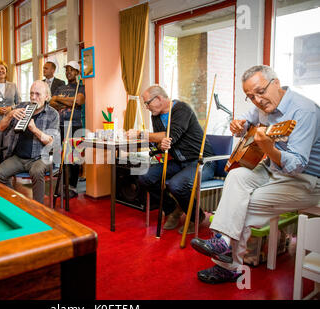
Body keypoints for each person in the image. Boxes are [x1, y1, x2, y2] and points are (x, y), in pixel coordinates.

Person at [191, 65, 320, 284]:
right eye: (250, 96)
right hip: (272, 170)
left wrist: (269, 148)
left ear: (276, 83)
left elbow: (297, 165)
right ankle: (224, 245)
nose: (257, 100)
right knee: (236, 175)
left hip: (305, 179)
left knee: (245, 204)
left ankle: (227, 260)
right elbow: (247, 119)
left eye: (260, 92)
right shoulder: (264, 106)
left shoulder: (304, 111)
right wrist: (240, 125)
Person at [127, 85, 216, 234]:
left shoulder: (182, 110)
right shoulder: (155, 116)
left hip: (202, 161)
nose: (147, 107)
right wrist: (161, 145)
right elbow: (163, 141)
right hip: (179, 162)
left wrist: (141, 134)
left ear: (159, 98)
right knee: (144, 177)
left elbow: (170, 135)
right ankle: (172, 209)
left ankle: (196, 216)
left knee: (176, 185)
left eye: (147, 103)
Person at [0, 80, 60, 204]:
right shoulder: (21, 107)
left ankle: (38, 208)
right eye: (31, 93)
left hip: (40, 157)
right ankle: (16, 201)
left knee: (36, 171)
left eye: (38, 94)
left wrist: (34, 130)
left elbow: (51, 142)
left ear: (46, 97)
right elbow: (1, 127)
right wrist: (10, 115)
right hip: (18, 157)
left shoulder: (52, 114)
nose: (33, 97)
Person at [49, 61, 85, 199]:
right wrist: (67, 100)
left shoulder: (80, 87)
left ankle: (73, 187)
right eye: (67, 70)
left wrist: (60, 100)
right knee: (63, 156)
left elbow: (79, 101)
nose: (68, 72)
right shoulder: (60, 88)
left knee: (74, 157)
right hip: (61, 125)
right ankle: (64, 185)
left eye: (71, 70)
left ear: (77, 72)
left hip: (75, 125)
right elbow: (52, 103)